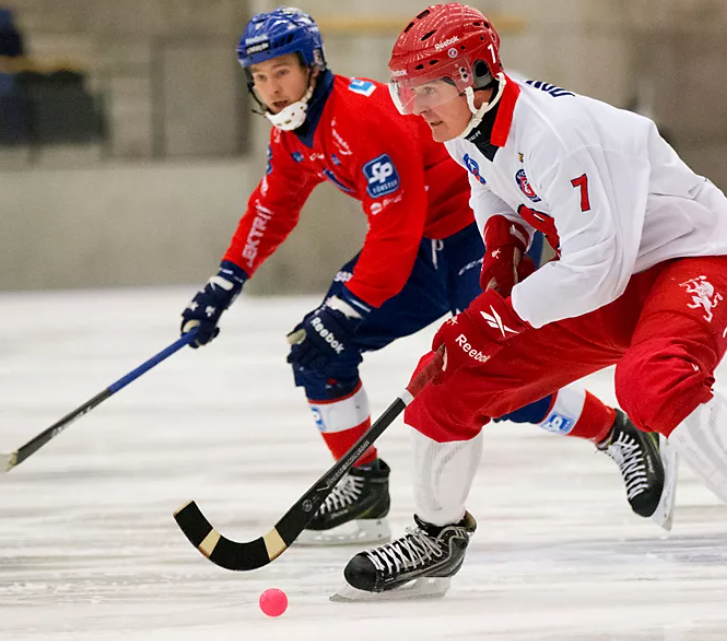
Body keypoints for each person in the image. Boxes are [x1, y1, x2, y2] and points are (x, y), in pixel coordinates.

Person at [336, 3, 727, 602]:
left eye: (427, 89)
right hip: (613, 274)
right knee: (453, 381)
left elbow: (594, 271)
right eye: (407, 90)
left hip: (693, 259)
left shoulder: (555, 137)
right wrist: (503, 245)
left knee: (650, 382)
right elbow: (491, 187)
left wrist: (498, 314)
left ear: (475, 76)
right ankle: (436, 538)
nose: (415, 107)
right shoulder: (467, 126)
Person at [180, 7, 676, 546]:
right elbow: (273, 207)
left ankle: (616, 432)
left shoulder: (362, 118)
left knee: (490, 373)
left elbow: (393, 234)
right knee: (316, 352)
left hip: (469, 236)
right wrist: (225, 283)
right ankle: (363, 482)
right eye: (259, 77)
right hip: (418, 248)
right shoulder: (293, 132)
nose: (272, 89)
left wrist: (343, 310)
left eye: (282, 72)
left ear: (312, 66)